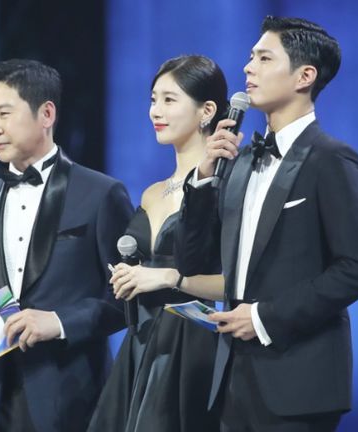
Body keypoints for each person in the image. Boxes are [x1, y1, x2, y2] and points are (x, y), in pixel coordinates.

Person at [175, 16, 358, 431]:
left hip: (298, 381)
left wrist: (263, 317)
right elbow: (193, 262)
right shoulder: (239, 160)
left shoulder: (331, 159)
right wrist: (203, 179)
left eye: (264, 58)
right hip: (232, 377)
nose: (248, 67)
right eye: (251, 57)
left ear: (305, 76)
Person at [0, 59, 133, 432]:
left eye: (5, 113)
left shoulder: (101, 193)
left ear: (46, 113)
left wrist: (59, 322)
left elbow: (128, 301)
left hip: (74, 398)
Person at [87, 55, 227, 432]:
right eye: (153, 100)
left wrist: (166, 277)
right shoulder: (151, 192)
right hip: (140, 339)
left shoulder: (224, 187)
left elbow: (241, 282)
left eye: (169, 99)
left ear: (206, 111)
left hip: (190, 343)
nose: (155, 111)